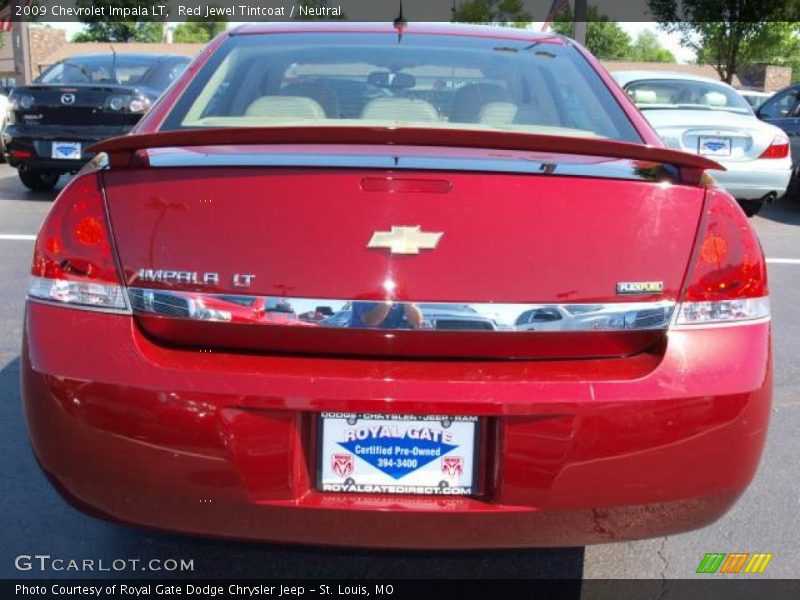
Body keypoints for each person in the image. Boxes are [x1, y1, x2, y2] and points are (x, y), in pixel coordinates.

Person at [348, 301, 423, 329]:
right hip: (363, 340)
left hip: (389, 341)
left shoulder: (402, 294)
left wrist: (407, 302)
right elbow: (370, 321)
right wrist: (387, 301)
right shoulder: (366, 292)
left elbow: (416, 321)